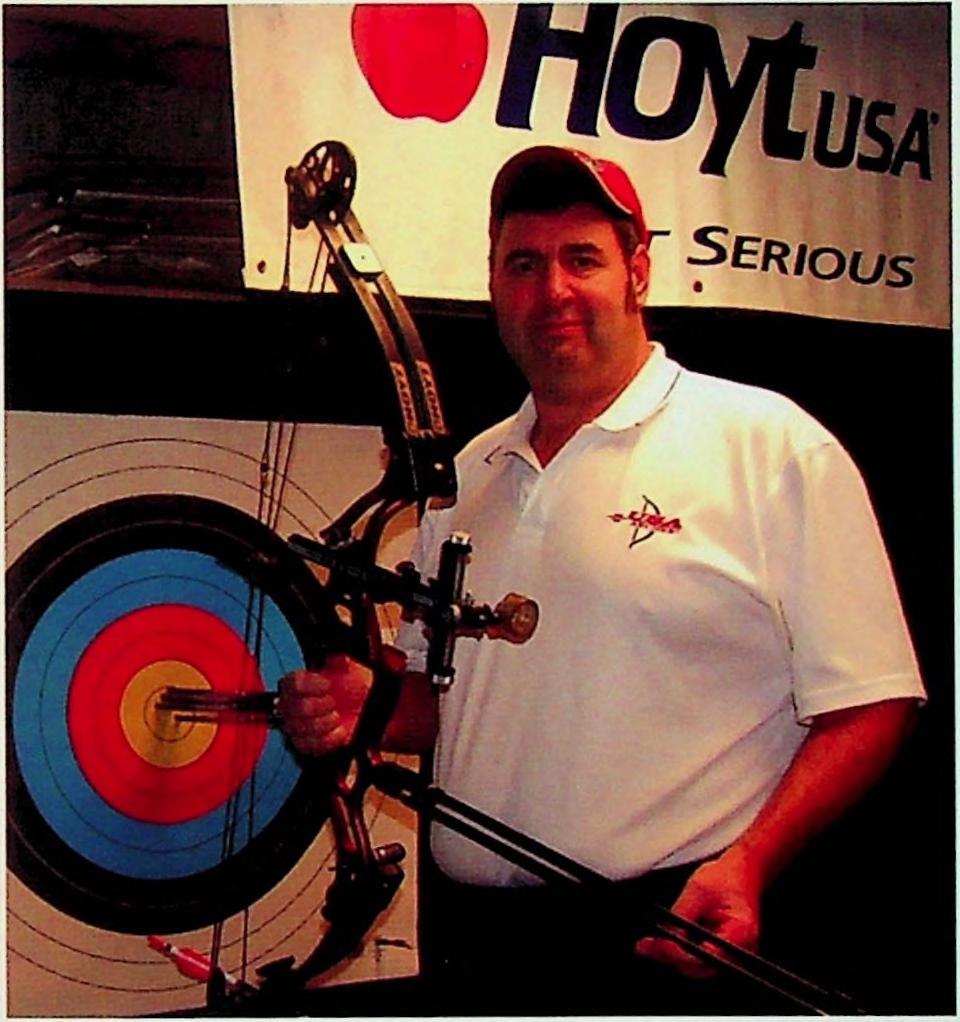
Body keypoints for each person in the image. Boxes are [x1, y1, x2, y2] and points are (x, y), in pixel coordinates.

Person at [278, 146, 926, 1013]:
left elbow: (873, 703)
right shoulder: (466, 477)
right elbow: (449, 705)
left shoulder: (769, 445)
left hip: (673, 937)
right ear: (493, 283)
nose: (553, 291)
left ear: (638, 272)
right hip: (477, 945)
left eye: (582, 259)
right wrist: (369, 705)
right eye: (524, 264)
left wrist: (750, 862)